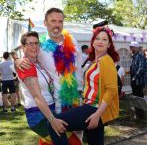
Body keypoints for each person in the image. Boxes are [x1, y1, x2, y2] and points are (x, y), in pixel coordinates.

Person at [15, 8, 83, 144]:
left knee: (78, 136)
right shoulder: (41, 47)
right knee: (60, 139)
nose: (56, 25)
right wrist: (17, 60)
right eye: (53, 21)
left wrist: (81, 91)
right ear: (45, 23)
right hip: (56, 104)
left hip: (76, 98)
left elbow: (79, 69)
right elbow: (28, 55)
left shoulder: (74, 42)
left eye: (60, 21)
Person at [46, 26, 119, 145]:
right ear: (93, 42)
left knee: (54, 124)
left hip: (94, 109)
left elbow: (111, 90)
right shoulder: (95, 61)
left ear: (109, 44)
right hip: (89, 106)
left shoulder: (106, 61)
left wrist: (97, 115)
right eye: (98, 38)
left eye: (105, 40)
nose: (100, 41)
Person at [16, 31, 71, 141]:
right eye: (30, 43)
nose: (34, 46)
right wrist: (52, 120)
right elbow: (37, 96)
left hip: (50, 108)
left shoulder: (37, 62)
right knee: (65, 140)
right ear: (23, 47)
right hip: (38, 114)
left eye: (36, 43)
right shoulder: (26, 65)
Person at [128, 41, 147, 119]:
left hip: (139, 81)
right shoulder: (134, 56)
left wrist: (134, 78)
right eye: (130, 47)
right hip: (135, 81)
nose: (130, 48)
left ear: (136, 48)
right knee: (136, 98)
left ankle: (141, 115)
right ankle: (138, 114)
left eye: (132, 47)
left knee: (139, 98)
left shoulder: (140, 56)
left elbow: (141, 69)